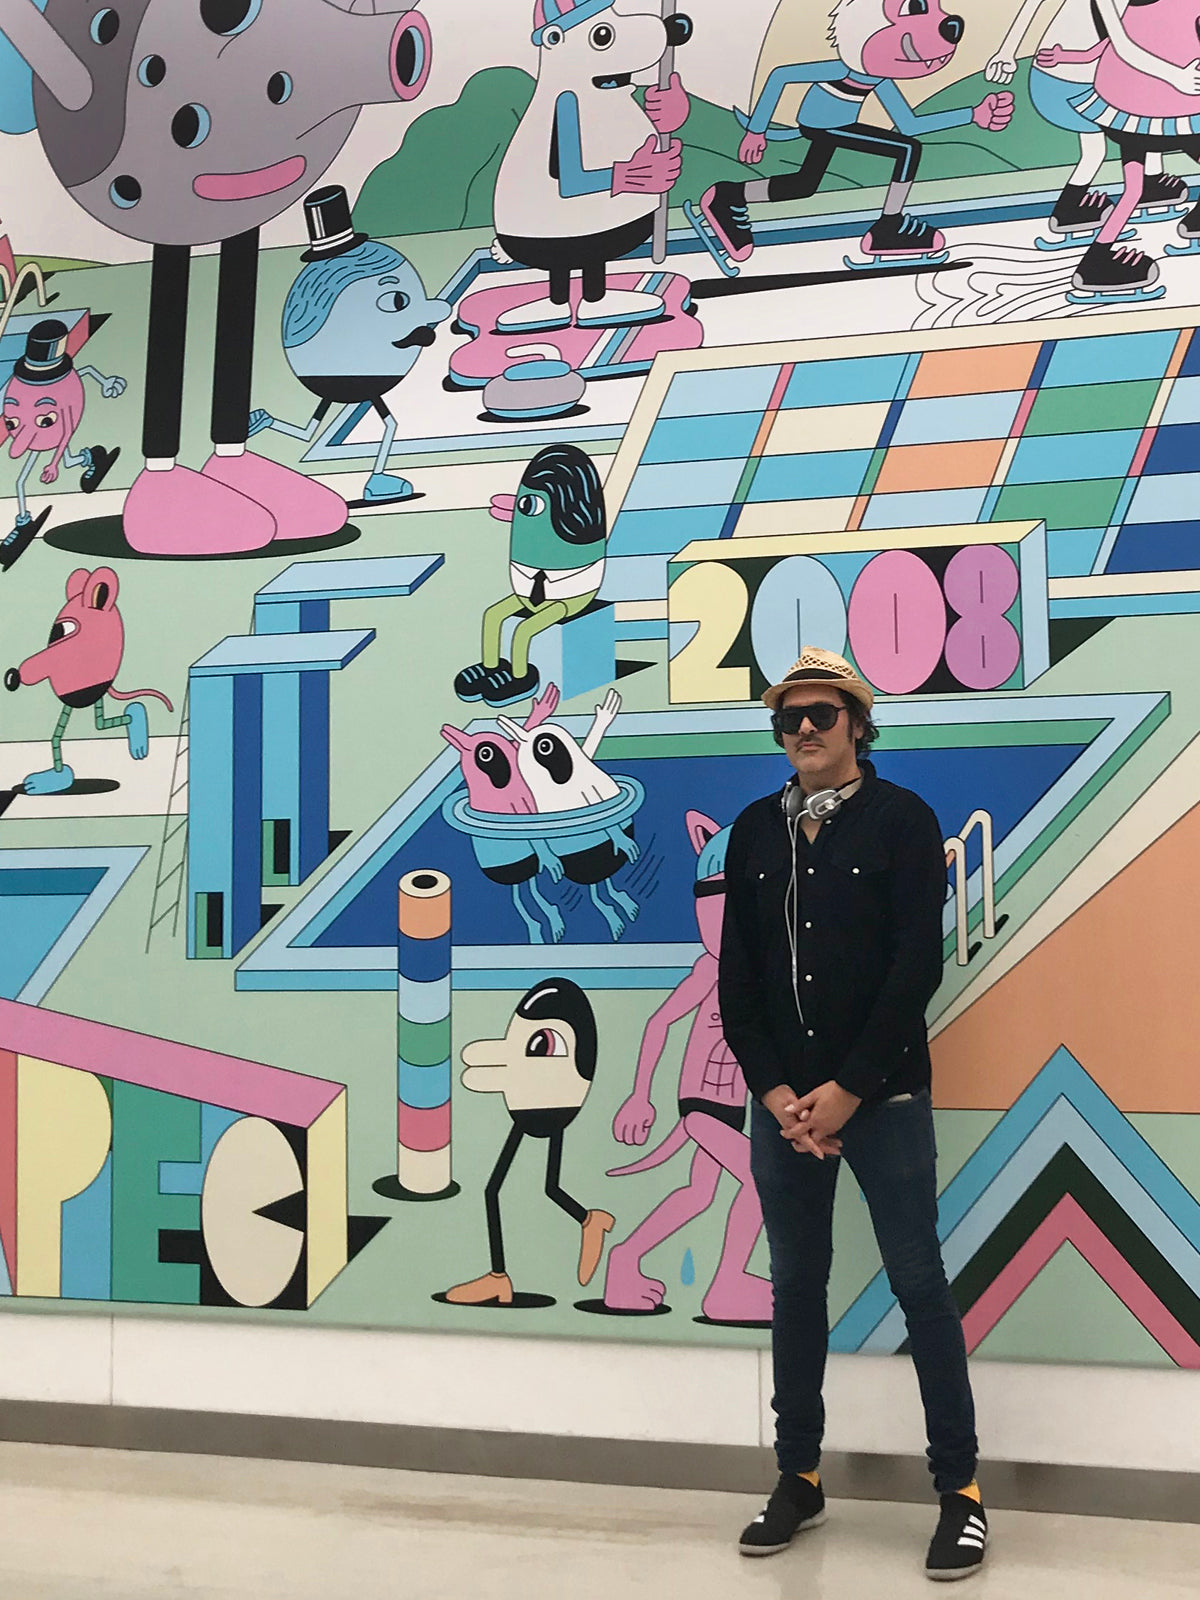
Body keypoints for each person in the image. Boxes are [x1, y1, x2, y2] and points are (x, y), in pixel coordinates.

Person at [718, 646, 985, 1581]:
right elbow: (738, 979)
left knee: (920, 1284)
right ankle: (798, 1477)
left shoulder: (904, 820)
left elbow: (917, 968)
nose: (803, 729)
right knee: (796, 1288)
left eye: (821, 714)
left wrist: (848, 1090)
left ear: (858, 726)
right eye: (788, 717)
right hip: (785, 1110)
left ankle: (961, 1493)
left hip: (884, 1098)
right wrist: (774, 1091)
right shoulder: (755, 831)